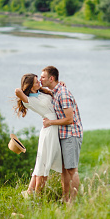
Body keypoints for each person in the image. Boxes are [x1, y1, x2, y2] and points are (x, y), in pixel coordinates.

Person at [14, 73, 62, 197]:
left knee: (42, 162)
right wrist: (28, 87)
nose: (39, 83)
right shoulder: (29, 100)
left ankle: (30, 191)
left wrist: (59, 86)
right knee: (43, 163)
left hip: (53, 126)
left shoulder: (42, 93)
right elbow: (17, 90)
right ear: (30, 85)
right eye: (36, 82)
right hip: (49, 130)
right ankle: (37, 195)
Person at [40, 66, 83, 203]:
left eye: (43, 77)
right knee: (64, 170)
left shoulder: (62, 93)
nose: (40, 79)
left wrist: (50, 123)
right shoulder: (55, 91)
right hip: (63, 136)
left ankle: (74, 201)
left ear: (51, 78)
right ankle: (65, 198)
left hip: (71, 135)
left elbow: (69, 120)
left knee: (72, 170)